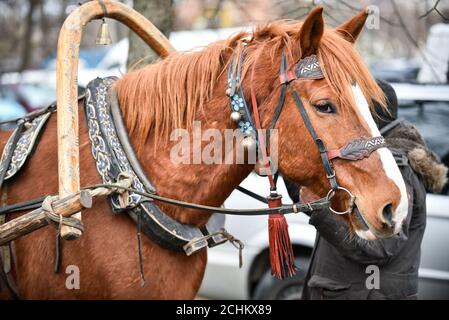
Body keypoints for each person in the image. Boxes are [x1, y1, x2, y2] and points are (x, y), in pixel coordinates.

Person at [285, 80, 448, 299]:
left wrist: (320, 212)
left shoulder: (391, 170)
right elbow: (320, 201)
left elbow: (379, 248)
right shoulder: (369, 163)